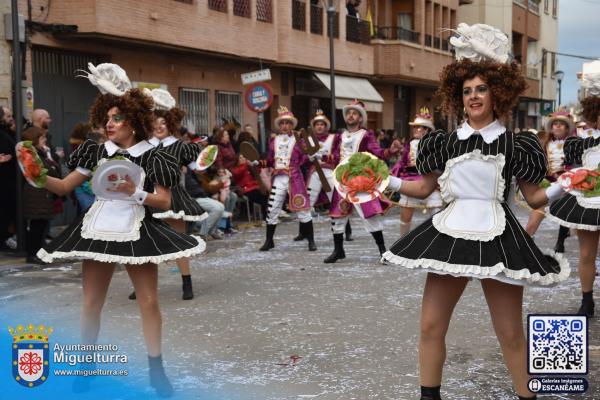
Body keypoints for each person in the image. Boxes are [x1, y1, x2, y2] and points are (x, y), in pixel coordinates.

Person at [381, 23, 569, 400]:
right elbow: (422, 189)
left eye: (481, 88)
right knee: (431, 327)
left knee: (511, 334)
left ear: (497, 92)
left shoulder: (518, 144)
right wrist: (383, 181)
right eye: (467, 91)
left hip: (498, 239)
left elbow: (534, 198)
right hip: (447, 237)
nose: (474, 97)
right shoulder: (442, 142)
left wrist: (570, 184)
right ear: (457, 96)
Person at [29, 63, 205, 396]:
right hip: (97, 228)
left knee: (149, 302)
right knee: (91, 303)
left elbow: (165, 202)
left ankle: (156, 370)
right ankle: (85, 368)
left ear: (135, 122)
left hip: (138, 230)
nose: (109, 124)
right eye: (107, 118)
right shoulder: (95, 151)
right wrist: (37, 177)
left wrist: (135, 193)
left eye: (117, 119)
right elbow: (65, 186)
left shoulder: (154, 156)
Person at [125, 88, 208, 301]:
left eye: (163, 123)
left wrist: (204, 161)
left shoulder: (180, 146)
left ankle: (186, 282)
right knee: (143, 241)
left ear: (170, 125)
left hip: (173, 197)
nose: (159, 126)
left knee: (178, 240)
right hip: (147, 196)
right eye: (155, 123)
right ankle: (142, 285)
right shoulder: (144, 146)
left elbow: (197, 167)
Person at [548, 73, 600, 317]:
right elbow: (576, 171)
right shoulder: (581, 144)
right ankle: (587, 300)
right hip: (588, 201)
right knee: (587, 254)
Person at [324, 100, 401, 263]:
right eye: (348, 113)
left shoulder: (366, 135)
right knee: (338, 216)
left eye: (355, 113)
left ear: (360, 118)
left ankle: (383, 251)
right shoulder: (340, 136)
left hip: (360, 180)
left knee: (370, 216)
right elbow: (334, 157)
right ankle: (338, 251)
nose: (351, 115)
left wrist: (390, 151)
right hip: (341, 180)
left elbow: (378, 152)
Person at [259, 106, 315, 252]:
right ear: (279, 125)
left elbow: (304, 156)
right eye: (282, 123)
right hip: (278, 178)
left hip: (294, 178)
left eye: (287, 123)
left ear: (292, 125)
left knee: (303, 208)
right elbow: (271, 160)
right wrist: (261, 162)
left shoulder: (298, 139)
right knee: (272, 209)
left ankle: (311, 241)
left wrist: (308, 157)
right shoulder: (273, 141)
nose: (284, 126)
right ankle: (269, 241)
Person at [524, 109, 575, 252]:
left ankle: (561, 243)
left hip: (568, 187)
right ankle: (526, 253)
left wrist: (565, 176)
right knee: (530, 226)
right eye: (555, 124)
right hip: (548, 188)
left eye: (561, 124)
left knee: (571, 217)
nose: (558, 126)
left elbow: (577, 165)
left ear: (566, 127)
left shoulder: (574, 143)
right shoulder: (543, 143)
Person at [390, 107, 443, 237]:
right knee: (406, 212)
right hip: (411, 179)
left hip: (431, 181)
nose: (415, 130)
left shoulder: (435, 144)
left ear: (427, 130)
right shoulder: (409, 144)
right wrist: (394, 174)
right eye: (414, 127)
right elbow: (402, 162)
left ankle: (438, 241)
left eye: (419, 127)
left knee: (436, 212)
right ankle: (402, 241)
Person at [21, 127, 62, 264]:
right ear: (35, 139)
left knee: (41, 224)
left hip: (42, 193)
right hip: (37, 194)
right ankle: (33, 254)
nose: (45, 140)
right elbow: (43, 171)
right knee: (37, 225)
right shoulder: (33, 154)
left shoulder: (41, 152)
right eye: (42, 138)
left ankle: (37, 252)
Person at [185, 169, 226, 240]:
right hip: (193, 198)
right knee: (217, 209)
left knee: (221, 206)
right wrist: (221, 182)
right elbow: (209, 189)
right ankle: (203, 234)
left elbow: (208, 189)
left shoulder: (195, 174)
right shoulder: (183, 174)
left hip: (202, 196)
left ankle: (212, 231)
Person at [230, 153, 268, 218]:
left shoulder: (248, 167)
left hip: (254, 187)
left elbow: (258, 172)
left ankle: (265, 215)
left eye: (244, 157)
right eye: (241, 158)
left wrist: (253, 166)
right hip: (245, 189)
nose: (243, 159)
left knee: (265, 194)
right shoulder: (234, 169)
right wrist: (246, 165)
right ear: (237, 160)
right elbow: (237, 174)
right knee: (261, 196)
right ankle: (265, 216)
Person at [0, 105, 17, 251]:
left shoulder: (8, 133)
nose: (11, 119)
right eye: (7, 116)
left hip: (9, 181)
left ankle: (5, 237)